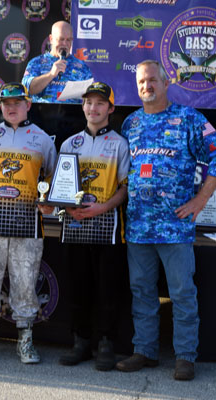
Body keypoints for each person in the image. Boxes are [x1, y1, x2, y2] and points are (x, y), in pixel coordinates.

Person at [116, 60, 216, 380]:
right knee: (141, 291)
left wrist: (201, 199)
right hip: (138, 227)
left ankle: (185, 356)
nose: (147, 86)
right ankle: (144, 350)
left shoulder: (188, 118)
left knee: (182, 293)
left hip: (174, 227)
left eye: (152, 80)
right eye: (141, 82)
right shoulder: (130, 124)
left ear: (166, 82)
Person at [40, 82, 130, 371]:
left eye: (100, 103)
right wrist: (67, 206)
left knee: (107, 289)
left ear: (111, 109)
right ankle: (80, 342)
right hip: (75, 226)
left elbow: (125, 188)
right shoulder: (69, 144)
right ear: (82, 106)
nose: (94, 108)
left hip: (108, 227)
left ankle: (106, 343)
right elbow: (60, 187)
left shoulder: (120, 144)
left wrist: (102, 207)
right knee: (79, 288)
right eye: (89, 102)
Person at [0, 82, 57, 364]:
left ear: (28, 104)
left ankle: (25, 339)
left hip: (28, 224)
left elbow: (54, 179)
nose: (12, 107)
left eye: (18, 102)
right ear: (1, 107)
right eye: (6, 103)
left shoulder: (43, 139)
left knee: (26, 283)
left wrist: (50, 202)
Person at [22, 20, 92, 103]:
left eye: (68, 40)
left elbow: (90, 98)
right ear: (51, 39)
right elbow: (27, 90)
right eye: (61, 39)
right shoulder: (36, 63)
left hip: (72, 111)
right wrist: (51, 74)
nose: (65, 44)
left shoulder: (82, 67)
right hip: (42, 110)